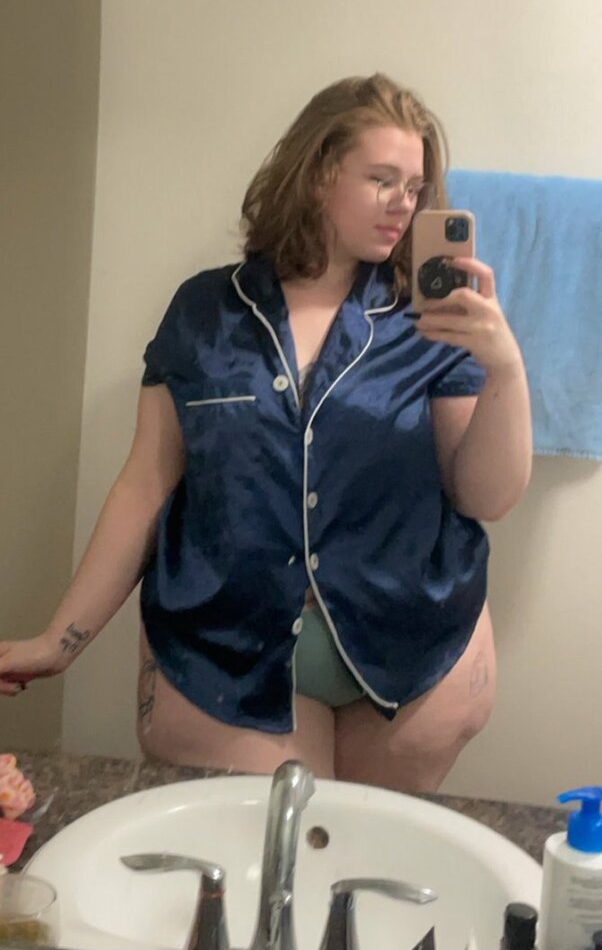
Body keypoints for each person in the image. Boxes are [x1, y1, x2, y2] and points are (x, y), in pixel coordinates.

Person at [0, 74, 532, 791]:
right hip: (227, 649)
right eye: (382, 179)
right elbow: (145, 485)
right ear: (317, 173)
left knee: (370, 851)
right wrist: (59, 640)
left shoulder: (428, 320)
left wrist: (504, 367)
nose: (403, 204)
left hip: (412, 648)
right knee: (273, 846)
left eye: (414, 187)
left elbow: (485, 495)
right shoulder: (204, 311)